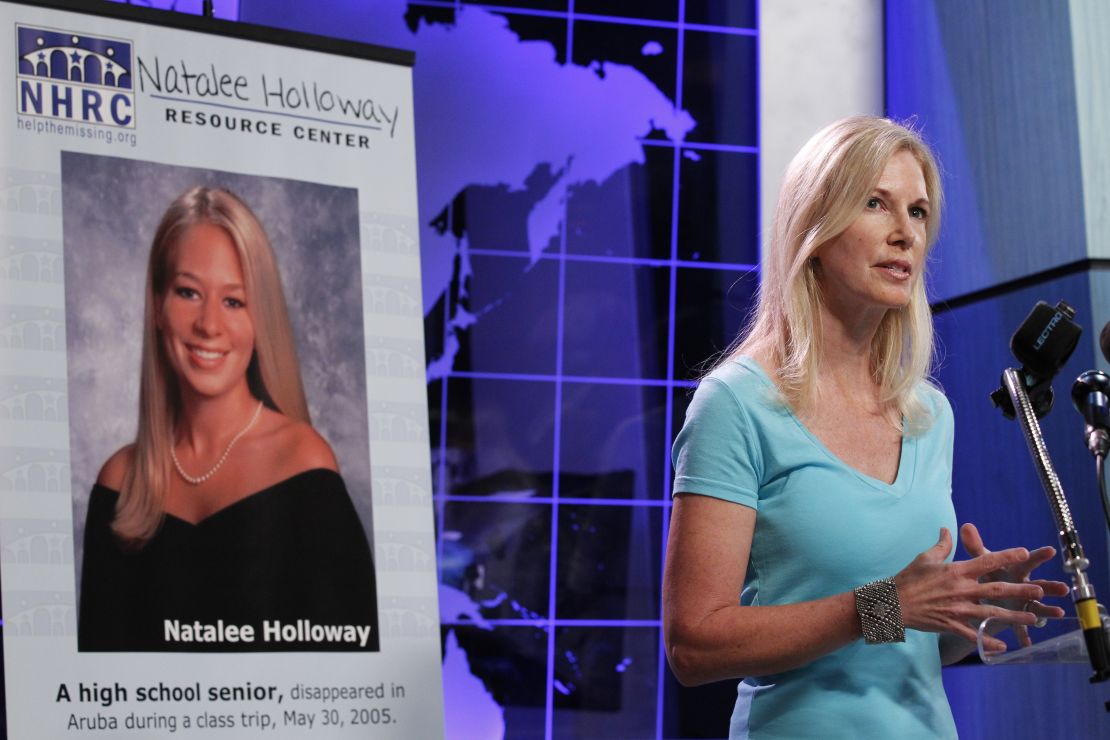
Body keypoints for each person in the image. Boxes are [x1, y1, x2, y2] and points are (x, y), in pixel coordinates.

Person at [663, 116, 1067, 738]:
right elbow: (693, 647)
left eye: (919, 211)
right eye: (876, 204)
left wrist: (967, 608)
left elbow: (900, 646)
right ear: (815, 230)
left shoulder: (929, 415)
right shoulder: (736, 405)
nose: (906, 233)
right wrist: (886, 605)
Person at [78, 186, 378, 652]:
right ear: (157, 306)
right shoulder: (120, 482)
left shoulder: (305, 464)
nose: (209, 325)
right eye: (188, 292)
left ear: (262, 320)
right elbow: (93, 697)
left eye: (234, 301)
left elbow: (351, 685)